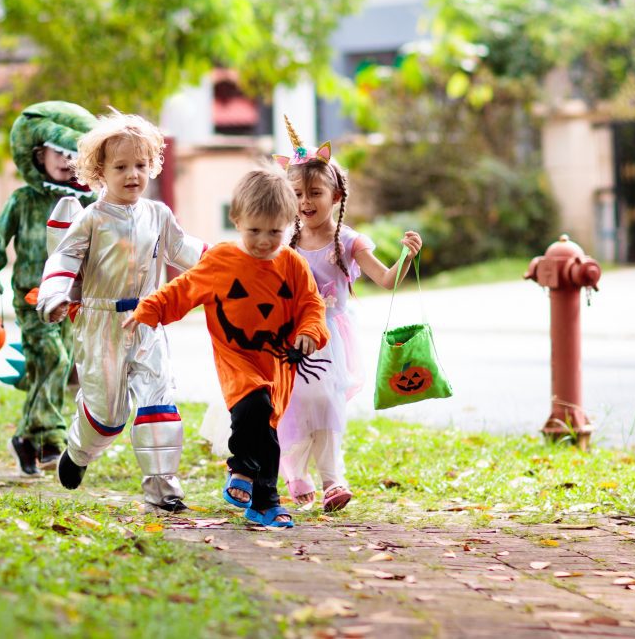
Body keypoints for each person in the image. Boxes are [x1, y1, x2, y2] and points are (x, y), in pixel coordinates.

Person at [125, 169, 329, 527]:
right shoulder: (222, 261)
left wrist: (311, 331)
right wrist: (150, 310)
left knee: (266, 427)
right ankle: (251, 480)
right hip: (237, 357)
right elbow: (182, 289)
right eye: (254, 231)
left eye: (274, 232)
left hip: (279, 361)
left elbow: (311, 305)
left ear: (289, 224)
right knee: (254, 406)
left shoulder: (292, 265)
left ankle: (259, 497)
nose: (264, 241)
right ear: (236, 220)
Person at [36, 113, 205, 513]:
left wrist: (230, 266)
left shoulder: (158, 215)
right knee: (109, 414)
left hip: (148, 319)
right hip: (100, 324)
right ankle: (78, 451)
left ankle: (163, 489)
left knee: (157, 399)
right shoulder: (91, 218)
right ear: (99, 171)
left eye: (141, 165)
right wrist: (56, 297)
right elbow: (63, 259)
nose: (133, 174)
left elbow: (187, 253)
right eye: (121, 166)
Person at [276, 117, 422, 512]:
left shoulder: (348, 241)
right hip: (289, 334)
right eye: (297, 193)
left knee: (326, 400)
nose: (306, 201)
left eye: (315, 192)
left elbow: (387, 280)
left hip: (329, 336)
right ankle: (294, 470)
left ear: (337, 195)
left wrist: (406, 256)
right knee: (292, 403)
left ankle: (332, 479)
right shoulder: (283, 240)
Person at [0, 101, 98, 477]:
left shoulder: (90, 205)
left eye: (73, 153)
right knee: (54, 360)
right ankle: (52, 438)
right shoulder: (23, 201)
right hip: (33, 300)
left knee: (57, 370)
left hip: (73, 303)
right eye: (57, 152)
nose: (65, 160)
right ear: (37, 154)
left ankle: (27, 440)